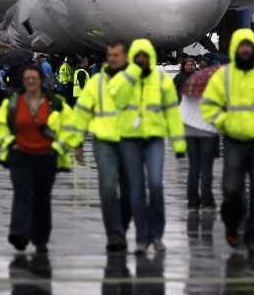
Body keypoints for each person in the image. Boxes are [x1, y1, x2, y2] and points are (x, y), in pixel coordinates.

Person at [201, 29, 254, 255]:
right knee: (232, 190)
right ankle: (232, 225)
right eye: (242, 46)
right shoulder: (224, 75)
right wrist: (224, 123)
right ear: (235, 49)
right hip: (234, 139)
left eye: (249, 46)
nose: (245, 50)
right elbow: (209, 104)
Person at [61, 41, 133, 253]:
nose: (112, 59)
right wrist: (77, 142)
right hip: (104, 142)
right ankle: (114, 234)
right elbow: (82, 112)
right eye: (109, 55)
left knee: (130, 191)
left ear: (126, 57)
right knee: (108, 187)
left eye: (116, 55)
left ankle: (123, 225)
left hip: (131, 142)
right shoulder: (96, 82)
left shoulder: (136, 81)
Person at [0, 64, 70, 253]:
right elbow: (0, 127)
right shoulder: (12, 103)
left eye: (34, 78)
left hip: (46, 156)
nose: (31, 81)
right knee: (22, 193)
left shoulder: (55, 103)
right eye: (27, 78)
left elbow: (70, 128)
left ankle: (40, 238)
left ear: (41, 80)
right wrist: (10, 144)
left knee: (42, 198)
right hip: (21, 154)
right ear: (23, 81)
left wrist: (58, 147)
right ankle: (19, 233)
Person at [117, 39, 186, 255]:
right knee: (136, 192)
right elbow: (115, 98)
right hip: (131, 140)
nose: (141, 60)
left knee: (155, 186)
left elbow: (172, 112)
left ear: (151, 58)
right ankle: (141, 237)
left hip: (154, 139)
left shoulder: (162, 80)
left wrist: (178, 142)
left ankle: (157, 234)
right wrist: (131, 75)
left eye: (145, 56)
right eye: (137, 57)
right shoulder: (125, 79)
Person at [179, 62, 217, 210]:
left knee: (193, 167)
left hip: (189, 131)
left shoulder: (189, 86)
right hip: (207, 131)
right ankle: (207, 200)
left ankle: (192, 200)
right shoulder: (213, 91)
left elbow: (182, 110)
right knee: (207, 168)